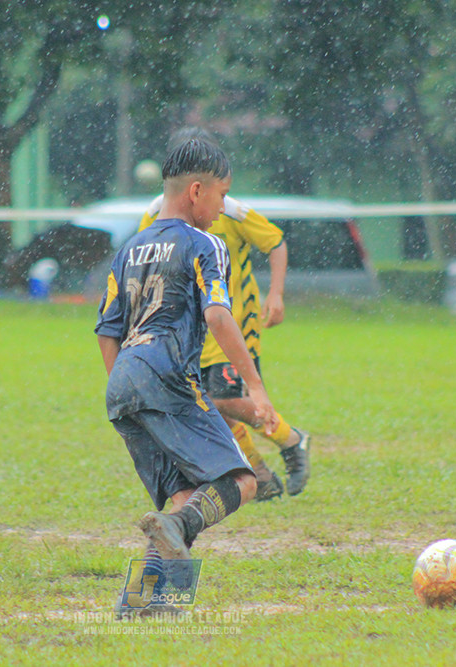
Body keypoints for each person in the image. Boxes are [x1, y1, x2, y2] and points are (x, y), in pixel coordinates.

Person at [96, 137, 278, 573]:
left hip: (122, 383)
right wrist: (255, 387)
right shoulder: (204, 243)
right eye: (222, 194)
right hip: (168, 375)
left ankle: (151, 597)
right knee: (241, 481)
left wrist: (126, 385)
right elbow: (217, 315)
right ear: (197, 191)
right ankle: (175, 529)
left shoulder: (129, 249)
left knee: (184, 498)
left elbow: (107, 330)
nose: (223, 207)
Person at [138, 128, 310, 500]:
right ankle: (260, 475)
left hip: (233, 322)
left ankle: (291, 439)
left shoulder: (229, 209)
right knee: (211, 405)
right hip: (192, 331)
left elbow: (276, 242)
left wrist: (276, 294)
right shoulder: (155, 214)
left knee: (223, 400)